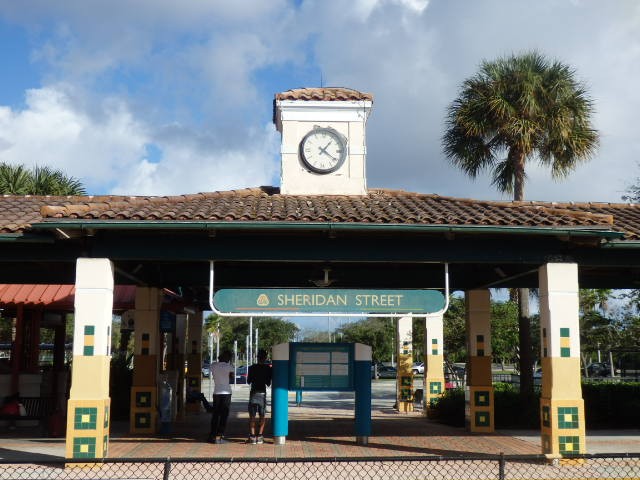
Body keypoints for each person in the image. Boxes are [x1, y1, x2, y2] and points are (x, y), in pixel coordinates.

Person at [246, 348, 272, 444]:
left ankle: (252, 437)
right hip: (262, 393)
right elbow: (268, 383)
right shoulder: (268, 368)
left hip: (253, 393)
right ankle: (260, 436)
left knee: (252, 416)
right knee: (262, 416)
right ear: (265, 358)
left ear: (257, 357)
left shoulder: (252, 367)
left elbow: (248, 381)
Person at [208, 350, 234, 444]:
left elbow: (212, 372)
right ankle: (220, 435)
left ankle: (212, 435)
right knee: (224, 415)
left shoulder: (213, 365)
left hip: (216, 392)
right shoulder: (230, 367)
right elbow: (231, 377)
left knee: (215, 414)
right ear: (228, 358)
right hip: (226, 392)